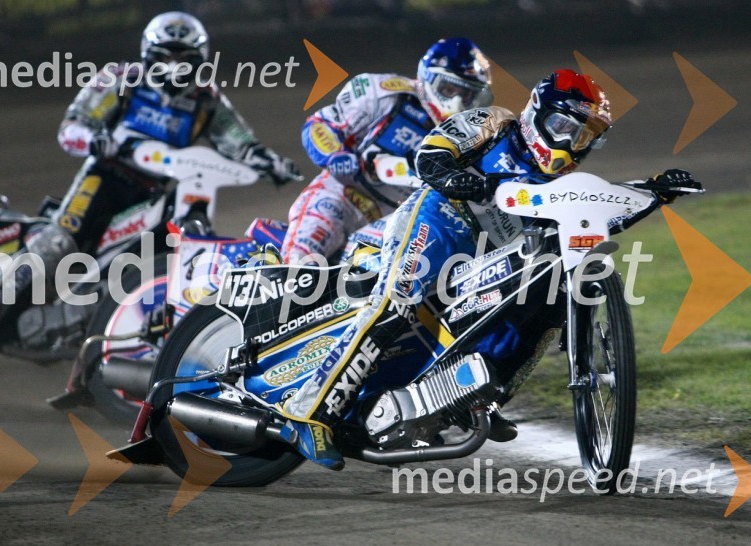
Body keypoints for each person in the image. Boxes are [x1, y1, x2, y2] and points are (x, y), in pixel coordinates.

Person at [279, 69, 702, 469]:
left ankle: (479, 397)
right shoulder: (495, 122)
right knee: (395, 302)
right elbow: (431, 155)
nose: (570, 143)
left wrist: (655, 191)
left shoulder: (559, 185)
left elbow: (598, 216)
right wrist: (463, 181)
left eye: (584, 136)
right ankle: (309, 411)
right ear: (537, 113)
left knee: (544, 303)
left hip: (485, 253)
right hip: (439, 218)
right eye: (563, 127)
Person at [0, 11, 299, 357]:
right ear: (150, 55)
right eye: (166, 57)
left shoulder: (207, 99)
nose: (175, 67)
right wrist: (94, 139)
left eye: (184, 59)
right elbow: (72, 126)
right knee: (59, 241)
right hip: (105, 178)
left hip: (151, 195)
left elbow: (240, 142)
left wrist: (273, 163)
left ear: (199, 61)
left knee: (160, 255)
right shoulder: (121, 80)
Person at [279, 37, 493, 264]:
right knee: (300, 262)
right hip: (342, 194)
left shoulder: (473, 137)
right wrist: (335, 155)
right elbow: (320, 125)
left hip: (396, 219)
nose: (457, 102)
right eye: (450, 89)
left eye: (466, 95)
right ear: (428, 78)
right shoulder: (382, 93)